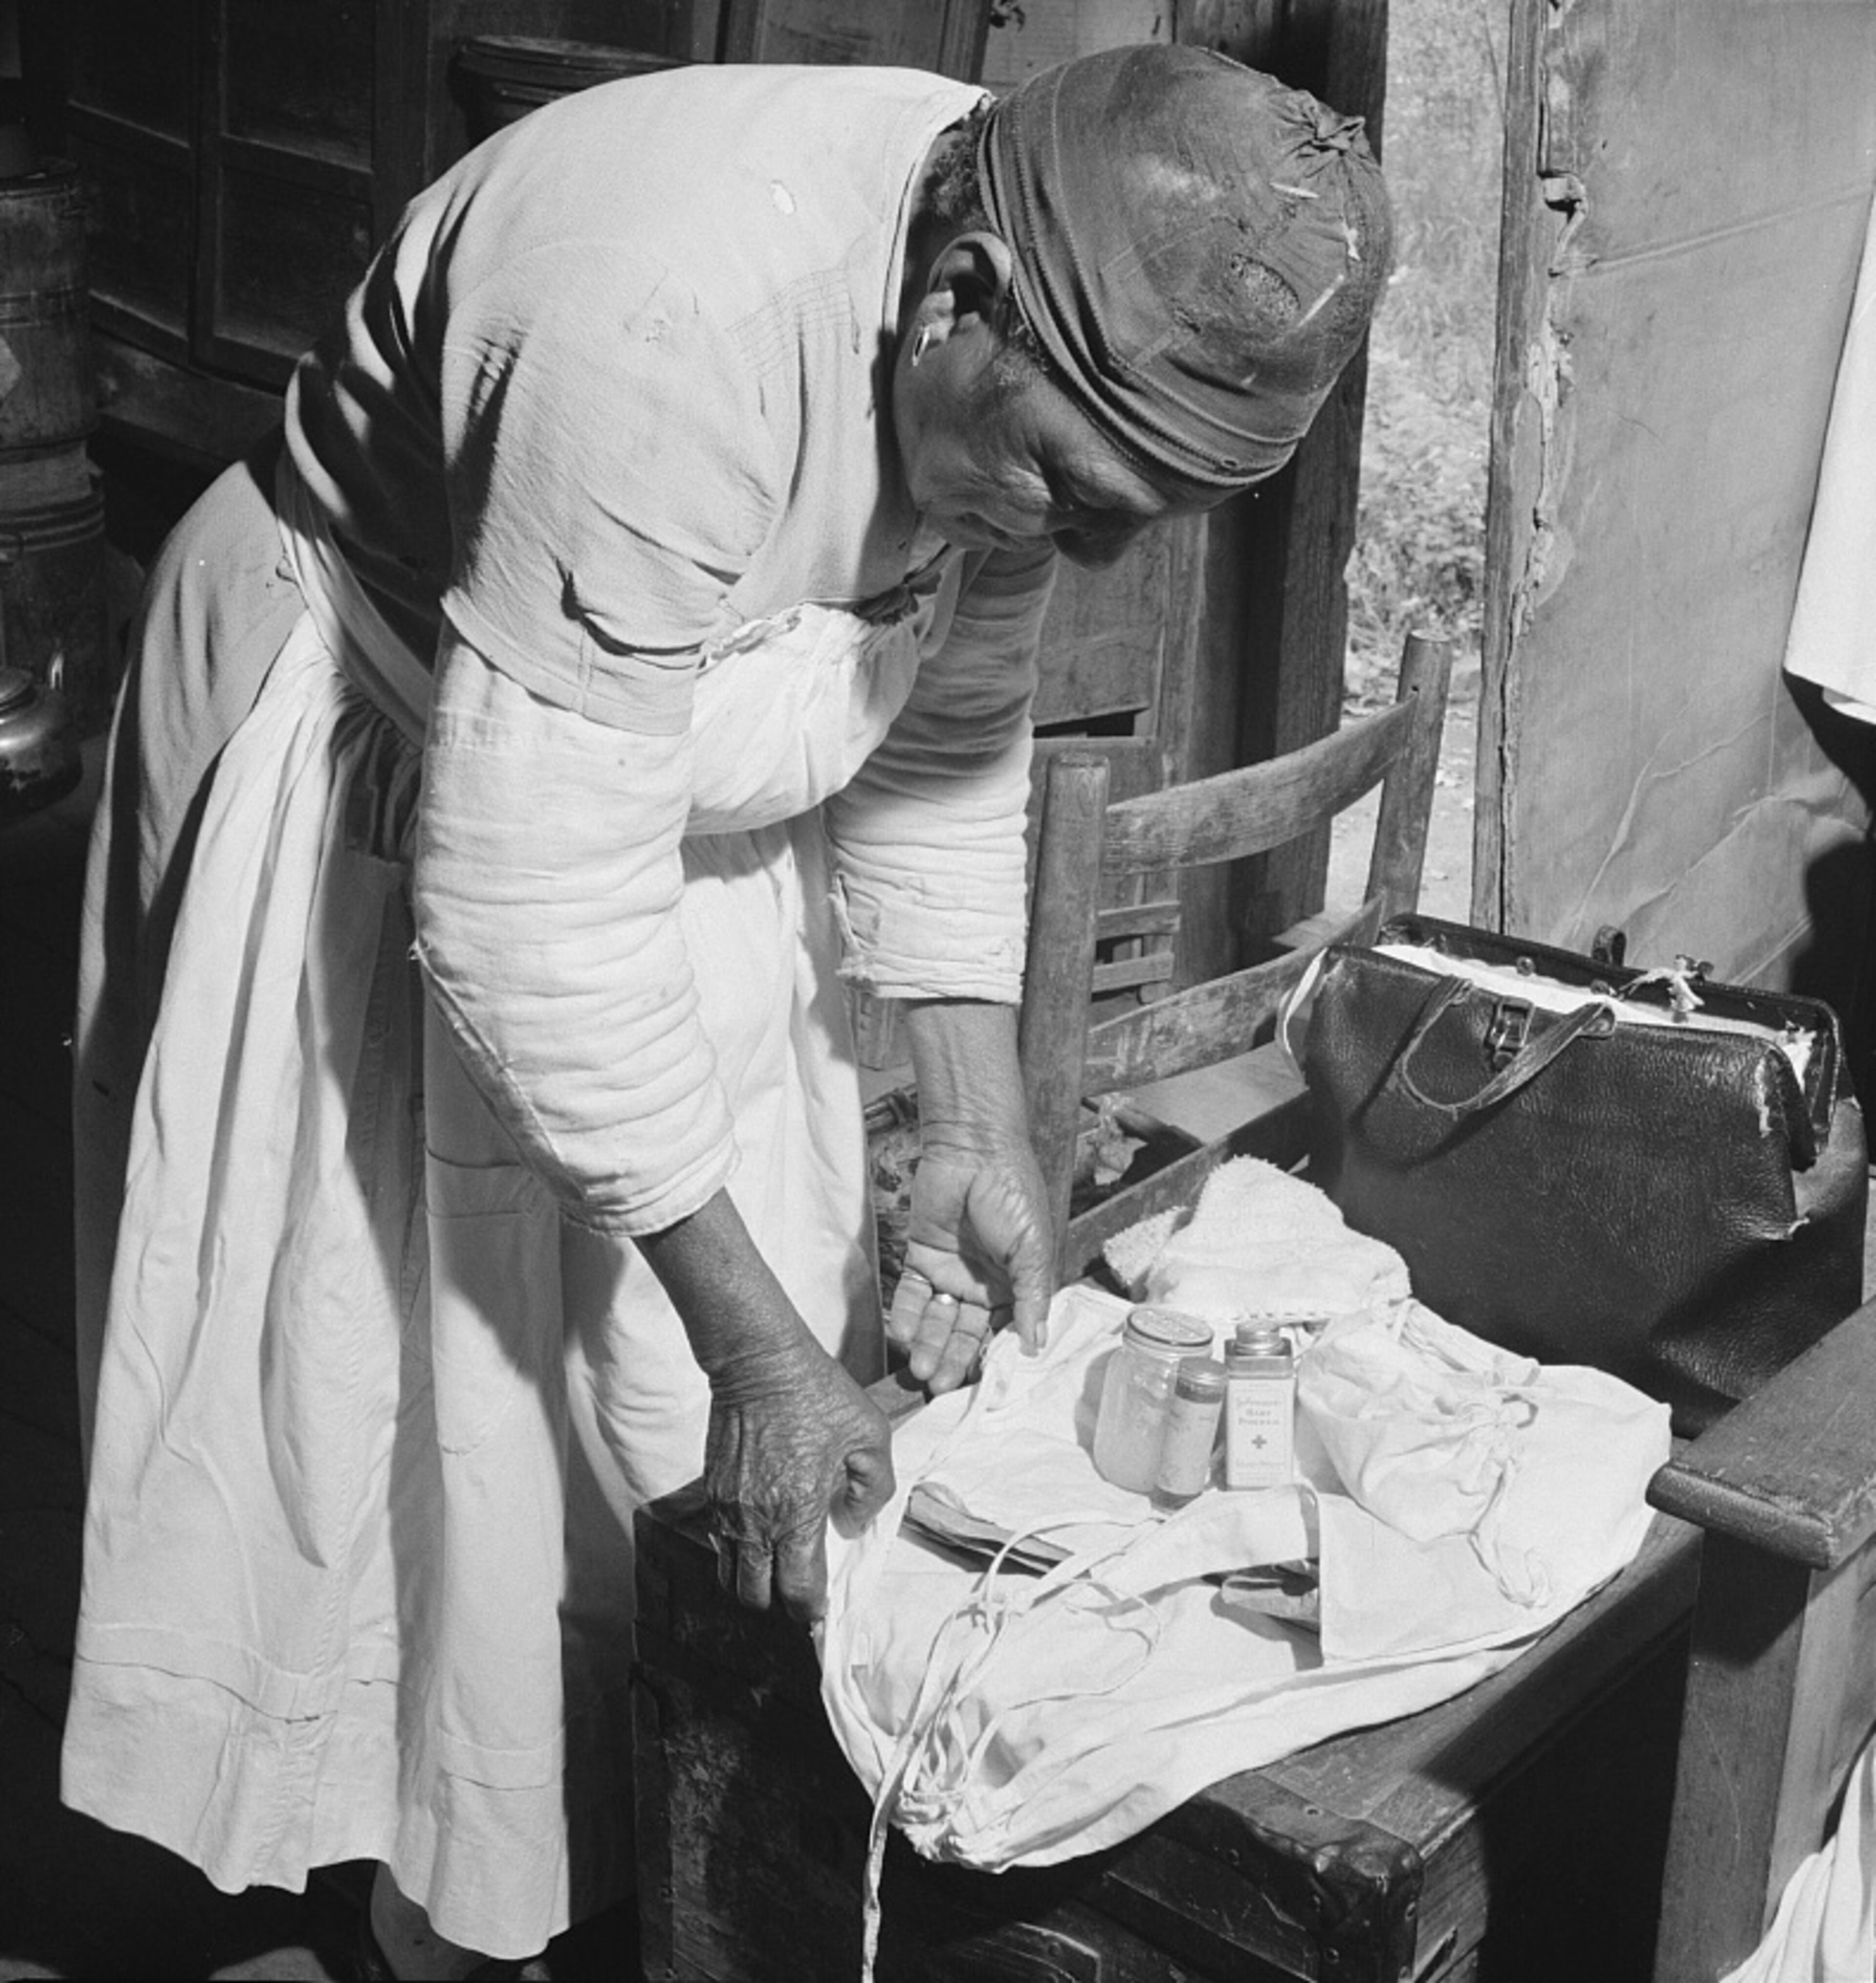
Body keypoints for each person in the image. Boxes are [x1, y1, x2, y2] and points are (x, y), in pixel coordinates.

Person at [62, 41, 1390, 1981]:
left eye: (1130, 519)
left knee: (639, 1412)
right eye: (1070, 488)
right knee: (404, 1395)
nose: (1079, 548)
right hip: (387, 735)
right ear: (960, 300)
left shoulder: (1049, 265)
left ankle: (567, 1852)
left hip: (651, 786)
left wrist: (972, 1124)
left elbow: (946, 728)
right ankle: (410, 1889)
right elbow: (526, 908)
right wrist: (778, 1359)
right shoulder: (663, 321)